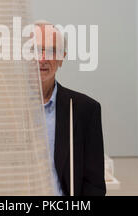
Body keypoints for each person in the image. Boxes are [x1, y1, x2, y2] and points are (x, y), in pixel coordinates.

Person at [34, 20, 106, 196]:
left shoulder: (85, 110)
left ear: (61, 58)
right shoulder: (4, 110)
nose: (42, 58)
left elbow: (94, 185)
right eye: (35, 50)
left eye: (51, 51)